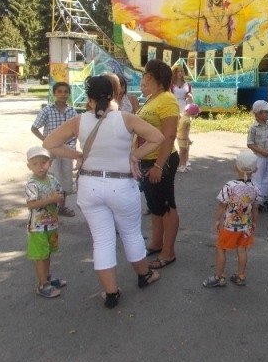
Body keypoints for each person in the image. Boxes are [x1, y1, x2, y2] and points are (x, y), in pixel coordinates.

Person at [43, 75, 165, 309]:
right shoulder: (126, 118)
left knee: (102, 240)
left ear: (88, 98)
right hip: (121, 185)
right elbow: (157, 137)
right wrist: (135, 156)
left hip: (90, 186)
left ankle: (111, 293)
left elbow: (49, 143)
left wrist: (77, 155)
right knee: (131, 234)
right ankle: (144, 275)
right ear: (114, 95)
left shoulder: (79, 121)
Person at [136, 60, 181, 269]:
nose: (143, 78)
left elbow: (169, 135)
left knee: (166, 206)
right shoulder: (152, 98)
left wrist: (159, 166)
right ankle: (156, 243)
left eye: (144, 74)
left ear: (150, 76)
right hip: (148, 160)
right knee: (155, 206)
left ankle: (168, 252)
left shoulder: (167, 99)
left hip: (161, 160)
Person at [202, 150, 261, 288]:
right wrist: (254, 222)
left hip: (230, 226)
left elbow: (221, 206)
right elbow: (255, 209)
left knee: (221, 248)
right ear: (255, 170)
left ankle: (218, 277)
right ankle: (241, 276)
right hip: (246, 227)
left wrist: (217, 220)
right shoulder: (256, 189)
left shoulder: (230, 186)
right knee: (242, 249)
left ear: (236, 167)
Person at [24, 146, 66, 299]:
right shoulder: (32, 184)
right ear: (29, 166)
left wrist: (60, 199)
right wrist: (52, 199)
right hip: (38, 228)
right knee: (40, 256)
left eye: (43, 162)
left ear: (50, 163)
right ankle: (42, 284)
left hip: (51, 224)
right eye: (35, 164)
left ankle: (47, 278)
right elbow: (31, 204)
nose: (40, 167)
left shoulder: (52, 179)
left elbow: (60, 194)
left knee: (47, 252)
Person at [31, 82, 77, 217]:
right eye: (59, 92)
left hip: (68, 149)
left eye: (65, 92)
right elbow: (34, 128)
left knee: (66, 178)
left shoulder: (72, 111)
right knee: (52, 178)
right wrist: (45, 140)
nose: (63, 94)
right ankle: (50, 208)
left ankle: (62, 207)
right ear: (54, 94)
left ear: (69, 94)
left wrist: (73, 144)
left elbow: (77, 130)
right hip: (51, 151)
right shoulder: (47, 110)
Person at [247, 100, 268, 213]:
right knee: (257, 179)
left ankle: (265, 199)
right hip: (259, 157)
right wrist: (262, 151)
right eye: (266, 112)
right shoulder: (253, 128)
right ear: (258, 113)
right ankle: (256, 201)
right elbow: (250, 144)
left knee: (267, 178)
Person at [176, 102, 201, 173]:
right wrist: (189, 140)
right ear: (193, 113)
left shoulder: (183, 117)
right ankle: (180, 167)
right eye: (196, 113)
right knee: (182, 153)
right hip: (183, 138)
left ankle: (183, 166)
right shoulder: (187, 121)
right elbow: (185, 133)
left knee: (183, 152)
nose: (197, 114)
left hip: (180, 137)